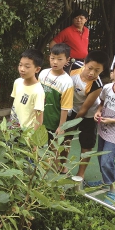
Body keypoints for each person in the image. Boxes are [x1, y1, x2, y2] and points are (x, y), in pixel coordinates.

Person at [86, 58, 115, 205]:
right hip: (103, 129)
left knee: (106, 161)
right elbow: (102, 103)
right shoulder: (108, 88)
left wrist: (112, 121)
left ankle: (114, 190)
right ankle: (105, 180)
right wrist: (98, 111)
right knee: (101, 158)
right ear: (112, 73)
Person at [65, 51, 109, 177]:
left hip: (88, 114)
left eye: (97, 71)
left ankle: (80, 174)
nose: (92, 73)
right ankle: (62, 168)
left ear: (102, 70)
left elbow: (84, 109)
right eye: (90, 68)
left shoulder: (97, 85)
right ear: (84, 63)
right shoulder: (75, 66)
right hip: (71, 108)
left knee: (86, 144)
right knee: (66, 139)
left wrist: (72, 124)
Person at [38, 43, 74, 173]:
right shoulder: (43, 73)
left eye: (60, 59)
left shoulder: (67, 81)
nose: (55, 62)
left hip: (54, 122)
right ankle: (40, 173)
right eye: (53, 58)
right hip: (40, 119)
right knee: (39, 146)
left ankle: (54, 173)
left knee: (54, 150)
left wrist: (61, 126)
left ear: (67, 60)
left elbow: (66, 107)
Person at [10, 48, 45, 130]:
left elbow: (39, 120)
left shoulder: (38, 91)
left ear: (37, 69)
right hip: (13, 129)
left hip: (26, 135)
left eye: (27, 66)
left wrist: (32, 138)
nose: (22, 69)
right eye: (20, 65)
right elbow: (15, 106)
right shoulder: (17, 82)